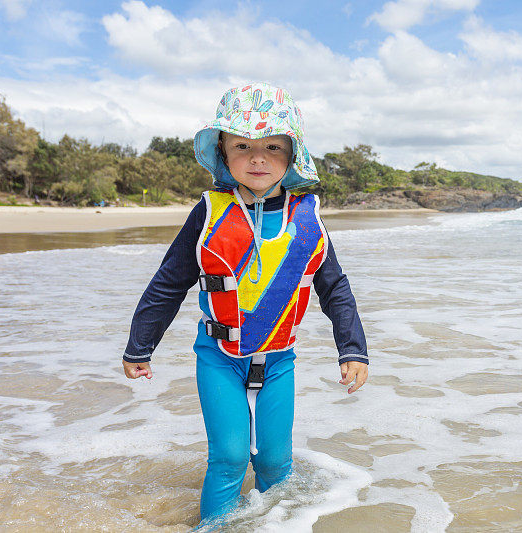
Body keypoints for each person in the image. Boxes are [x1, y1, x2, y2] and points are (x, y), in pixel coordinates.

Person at [121, 82, 369, 522]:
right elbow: (168, 283)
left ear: (291, 154)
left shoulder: (308, 215)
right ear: (223, 152)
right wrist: (140, 345)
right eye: (243, 146)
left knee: (275, 462)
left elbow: (336, 289)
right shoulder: (209, 212)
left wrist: (352, 349)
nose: (258, 158)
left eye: (272, 146)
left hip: (279, 362)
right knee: (231, 458)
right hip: (219, 358)